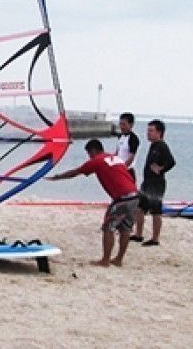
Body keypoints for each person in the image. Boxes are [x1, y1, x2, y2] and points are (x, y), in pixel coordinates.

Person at [47, 139, 140, 267]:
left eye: (89, 154)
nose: (89, 157)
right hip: (134, 195)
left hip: (122, 198)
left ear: (93, 150)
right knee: (126, 228)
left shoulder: (97, 160)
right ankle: (118, 259)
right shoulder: (115, 158)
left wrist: (56, 177)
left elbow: (75, 172)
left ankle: (105, 260)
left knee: (108, 227)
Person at [132, 119, 176, 246]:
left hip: (157, 184)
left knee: (156, 211)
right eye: (148, 131)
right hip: (147, 182)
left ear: (159, 132)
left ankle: (155, 239)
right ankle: (138, 235)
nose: (148, 133)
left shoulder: (162, 145)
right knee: (139, 208)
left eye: (151, 131)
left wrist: (161, 169)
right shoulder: (153, 145)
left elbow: (172, 162)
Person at [114, 112, 140, 181]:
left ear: (131, 125)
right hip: (119, 170)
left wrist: (122, 169)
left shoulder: (133, 138)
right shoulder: (120, 136)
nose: (121, 126)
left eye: (124, 124)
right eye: (120, 124)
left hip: (128, 171)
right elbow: (117, 152)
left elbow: (131, 157)